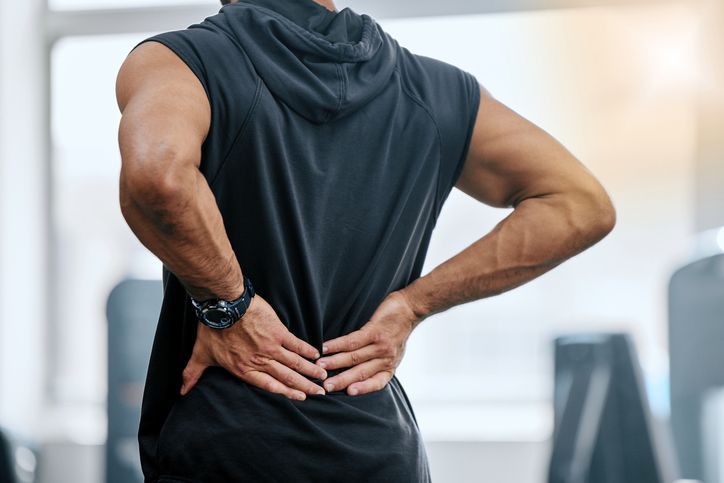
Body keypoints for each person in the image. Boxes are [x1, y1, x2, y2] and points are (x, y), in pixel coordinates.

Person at [115, 0, 616, 481]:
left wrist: (230, 305)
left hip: (231, 444)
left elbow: (159, 177)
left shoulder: (181, 61)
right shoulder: (433, 90)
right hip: (379, 453)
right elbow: (578, 204)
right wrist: (411, 306)